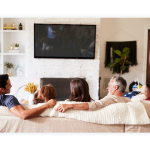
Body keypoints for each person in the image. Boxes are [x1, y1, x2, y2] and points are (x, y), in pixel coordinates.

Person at [56, 76, 131, 113]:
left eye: (109, 85)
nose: (107, 88)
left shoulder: (111, 99)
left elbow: (94, 105)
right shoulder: (128, 100)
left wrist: (70, 105)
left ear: (115, 87)